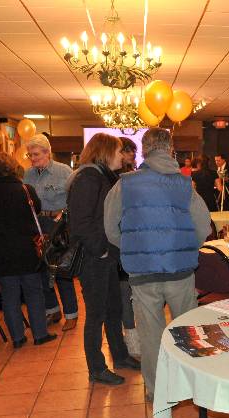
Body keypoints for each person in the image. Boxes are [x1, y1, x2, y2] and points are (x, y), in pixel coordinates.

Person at [104, 127, 211, 399]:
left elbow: (110, 227)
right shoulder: (185, 184)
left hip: (143, 274)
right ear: (171, 150)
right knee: (188, 332)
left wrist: (133, 247)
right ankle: (193, 387)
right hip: (180, 271)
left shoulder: (125, 184)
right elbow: (203, 225)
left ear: (144, 150)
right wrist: (188, 246)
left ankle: (156, 390)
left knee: (151, 337)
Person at [69, 133, 140, 386]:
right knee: (96, 314)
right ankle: (96, 368)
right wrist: (100, 250)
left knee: (114, 309)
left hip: (107, 256)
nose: (122, 155)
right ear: (106, 152)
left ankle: (120, 355)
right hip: (94, 258)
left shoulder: (103, 176)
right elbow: (81, 222)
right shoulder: (88, 178)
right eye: (119, 151)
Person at [0, 153, 56, 348]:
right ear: (13, 168)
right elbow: (37, 210)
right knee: (34, 292)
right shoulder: (26, 190)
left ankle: (17, 338)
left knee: (10, 295)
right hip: (26, 250)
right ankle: (40, 334)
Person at [23, 134, 79, 331]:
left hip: (58, 226)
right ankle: (52, 310)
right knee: (41, 271)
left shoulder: (64, 172)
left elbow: (76, 199)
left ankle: (71, 314)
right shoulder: (28, 175)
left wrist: (64, 214)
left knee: (60, 270)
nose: (32, 158)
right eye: (30, 155)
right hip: (36, 225)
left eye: (36, 154)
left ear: (47, 153)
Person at [113, 137, 138, 351]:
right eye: (127, 150)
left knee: (134, 291)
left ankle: (136, 335)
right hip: (121, 241)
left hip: (135, 240)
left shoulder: (134, 176)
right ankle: (130, 337)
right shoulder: (115, 179)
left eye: (133, 150)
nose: (131, 154)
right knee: (124, 291)